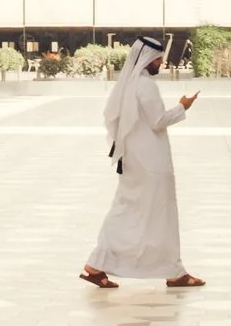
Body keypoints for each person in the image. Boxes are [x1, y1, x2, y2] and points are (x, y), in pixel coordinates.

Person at [80, 34, 203, 289]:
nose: (161, 62)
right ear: (148, 58)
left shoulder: (130, 83)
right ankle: (174, 272)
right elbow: (158, 121)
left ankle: (97, 264)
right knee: (159, 213)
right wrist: (183, 106)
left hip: (136, 161)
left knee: (128, 210)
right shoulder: (145, 84)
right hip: (151, 164)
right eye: (158, 58)